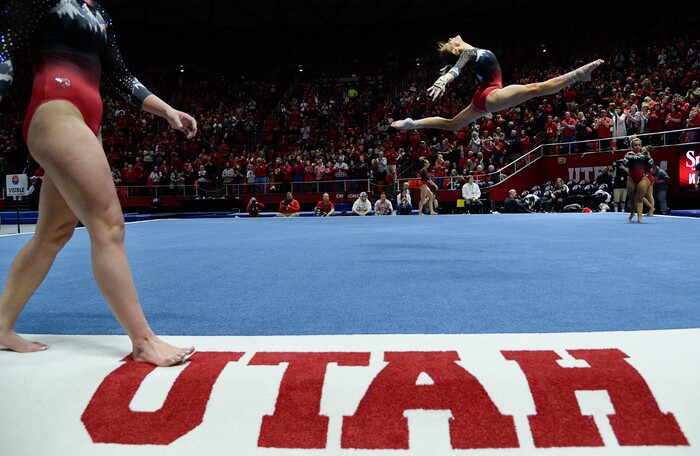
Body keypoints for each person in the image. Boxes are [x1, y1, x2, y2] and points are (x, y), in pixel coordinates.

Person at [0, 0, 195, 366]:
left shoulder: (99, 11)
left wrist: (167, 110)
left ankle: (0, 325)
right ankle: (143, 340)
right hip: (57, 109)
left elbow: (121, 76)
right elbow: (5, 50)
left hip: (88, 119)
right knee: (108, 225)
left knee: (54, 233)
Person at [391, 35, 603, 131]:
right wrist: (445, 79)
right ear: (456, 50)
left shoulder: (468, 54)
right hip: (491, 94)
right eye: (449, 43)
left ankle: (413, 123)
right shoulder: (468, 53)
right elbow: (457, 68)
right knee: (534, 89)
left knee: (453, 124)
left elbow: (455, 66)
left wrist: (446, 72)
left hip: (484, 95)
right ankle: (578, 75)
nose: (450, 39)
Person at [623, 138, 654, 223]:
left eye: (639, 145)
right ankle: (632, 213)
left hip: (642, 178)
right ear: (632, 146)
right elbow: (624, 164)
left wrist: (649, 157)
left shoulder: (644, 155)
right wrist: (625, 156)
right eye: (635, 145)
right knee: (632, 198)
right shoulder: (629, 155)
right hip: (631, 178)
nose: (637, 147)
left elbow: (651, 164)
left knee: (639, 198)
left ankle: (640, 217)